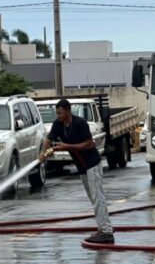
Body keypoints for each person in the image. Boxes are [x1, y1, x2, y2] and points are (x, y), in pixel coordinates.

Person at [41, 99, 114, 244]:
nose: (58, 116)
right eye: (57, 113)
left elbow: (89, 144)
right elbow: (48, 139)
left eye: (60, 113)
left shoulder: (80, 123)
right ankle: (103, 228)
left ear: (68, 111)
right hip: (81, 167)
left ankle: (106, 232)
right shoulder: (58, 125)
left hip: (92, 164)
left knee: (98, 198)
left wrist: (66, 146)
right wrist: (43, 153)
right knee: (93, 199)